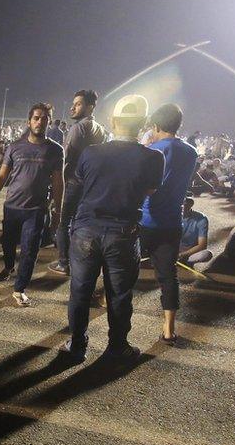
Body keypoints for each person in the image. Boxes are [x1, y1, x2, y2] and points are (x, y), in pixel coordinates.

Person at [61, 94, 164, 364]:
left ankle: (77, 345)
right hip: (123, 233)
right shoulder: (154, 157)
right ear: (143, 124)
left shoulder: (91, 153)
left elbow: (81, 183)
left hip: (85, 230)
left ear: (112, 121)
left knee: (80, 292)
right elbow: (150, 190)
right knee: (119, 295)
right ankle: (117, 347)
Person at [0, 103, 64, 306]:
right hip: (12, 207)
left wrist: (57, 210)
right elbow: (2, 176)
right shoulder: (15, 147)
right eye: (36, 117)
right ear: (29, 121)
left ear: (49, 121)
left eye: (44, 118)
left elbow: (57, 182)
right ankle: (9, 266)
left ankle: (19, 289)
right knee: (8, 244)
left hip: (36, 211)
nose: (40, 121)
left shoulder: (55, 150)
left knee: (30, 250)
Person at [137, 103, 200, 343]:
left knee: (124, 265)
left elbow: (144, 184)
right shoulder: (191, 152)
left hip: (145, 218)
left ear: (156, 125)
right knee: (167, 275)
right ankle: (168, 329)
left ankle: (106, 301)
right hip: (172, 221)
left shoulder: (153, 150)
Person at [49, 89, 107, 275]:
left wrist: (58, 185)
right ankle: (78, 262)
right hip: (91, 184)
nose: (73, 107)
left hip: (73, 181)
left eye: (78, 104)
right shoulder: (101, 129)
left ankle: (63, 263)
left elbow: (68, 158)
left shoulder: (78, 128)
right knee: (80, 224)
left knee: (62, 222)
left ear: (89, 107)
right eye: (73, 103)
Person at [178, 198, 213, 265]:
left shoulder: (201, 219)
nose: (182, 206)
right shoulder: (170, 215)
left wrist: (182, 255)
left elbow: (202, 245)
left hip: (190, 252)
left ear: (191, 204)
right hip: (171, 250)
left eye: (184, 204)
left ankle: (182, 260)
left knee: (206, 254)